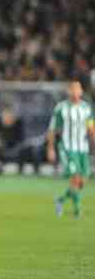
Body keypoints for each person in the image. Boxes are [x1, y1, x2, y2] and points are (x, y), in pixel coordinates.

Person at [47, 79, 95, 218]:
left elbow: (91, 128)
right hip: (68, 148)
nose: (75, 92)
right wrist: (50, 149)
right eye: (72, 89)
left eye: (77, 89)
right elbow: (52, 129)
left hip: (83, 149)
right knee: (75, 178)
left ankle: (60, 200)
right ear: (69, 91)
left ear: (81, 91)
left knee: (82, 182)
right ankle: (78, 212)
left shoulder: (86, 108)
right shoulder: (61, 108)